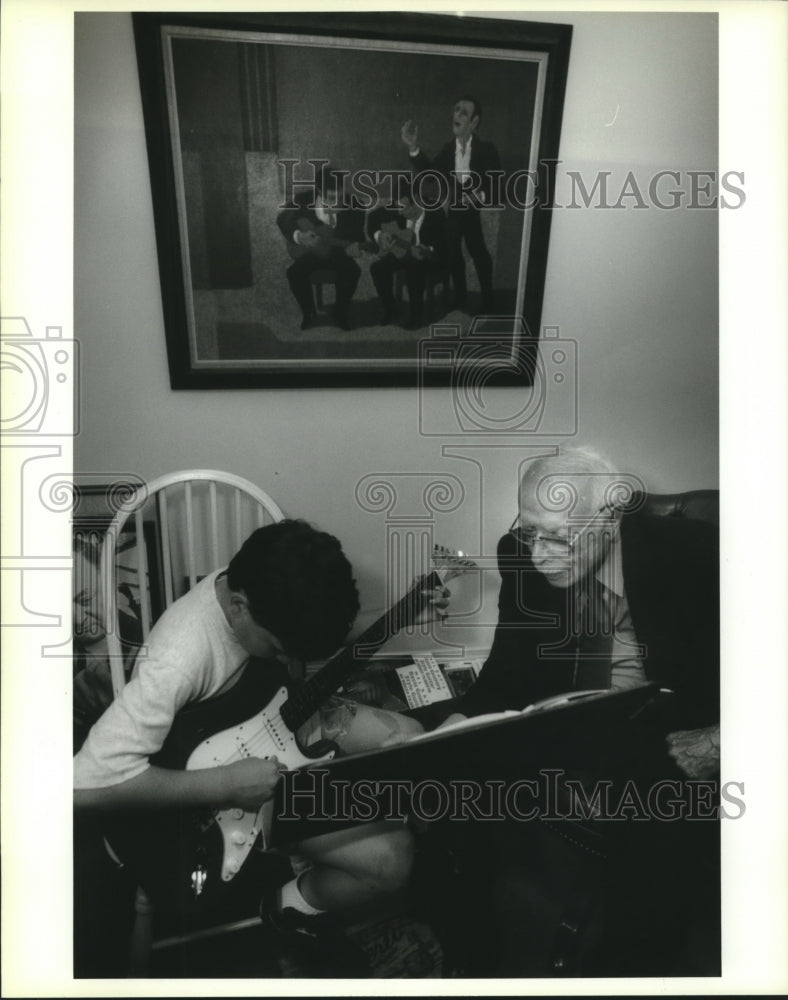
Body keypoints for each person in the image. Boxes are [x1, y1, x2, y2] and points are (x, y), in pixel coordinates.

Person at [74, 520, 443, 975]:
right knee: (392, 858)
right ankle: (289, 909)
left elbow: (301, 637)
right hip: (218, 782)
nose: (287, 657)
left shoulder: (263, 579)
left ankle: (292, 898)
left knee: (411, 740)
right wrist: (225, 784)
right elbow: (82, 788)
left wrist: (404, 615)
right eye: (277, 647)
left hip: (268, 716)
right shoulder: (178, 659)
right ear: (239, 606)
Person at [433, 446, 720, 976]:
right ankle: (468, 961)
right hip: (569, 715)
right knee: (449, 781)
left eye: (558, 537)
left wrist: (727, 738)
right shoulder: (520, 556)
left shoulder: (698, 552)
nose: (538, 554)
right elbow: (505, 676)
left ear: (609, 517)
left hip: (677, 722)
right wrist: (456, 728)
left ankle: (631, 970)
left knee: (655, 821)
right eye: (529, 531)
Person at [401, 96, 501, 315]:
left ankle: (488, 300)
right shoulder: (448, 150)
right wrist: (414, 147)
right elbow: (430, 173)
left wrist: (478, 196)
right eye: (456, 110)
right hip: (454, 212)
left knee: (479, 253)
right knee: (453, 251)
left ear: (474, 123)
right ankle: (461, 297)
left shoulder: (486, 149)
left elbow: (498, 185)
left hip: (475, 211)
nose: (456, 115)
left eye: (463, 113)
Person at [276, 169, 364, 331]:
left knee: (353, 271)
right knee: (294, 273)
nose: (338, 202)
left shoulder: (355, 203)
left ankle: (340, 312)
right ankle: (309, 313)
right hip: (310, 252)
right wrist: (299, 236)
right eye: (332, 198)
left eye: (340, 196)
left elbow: (359, 236)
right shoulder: (303, 200)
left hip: (339, 252)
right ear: (319, 191)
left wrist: (355, 247)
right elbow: (283, 219)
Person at [368, 187, 449, 329]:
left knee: (414, 266)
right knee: (377, 268)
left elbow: (443, 243)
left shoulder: (436, 212)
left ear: (417, 202)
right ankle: (391, 308)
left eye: (403, 207)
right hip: (405, 253)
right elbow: (373, 216)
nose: (398, 211)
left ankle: (416, 316)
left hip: (430, 257)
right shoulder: (399, 206)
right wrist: (379, 234)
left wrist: (428, 250)